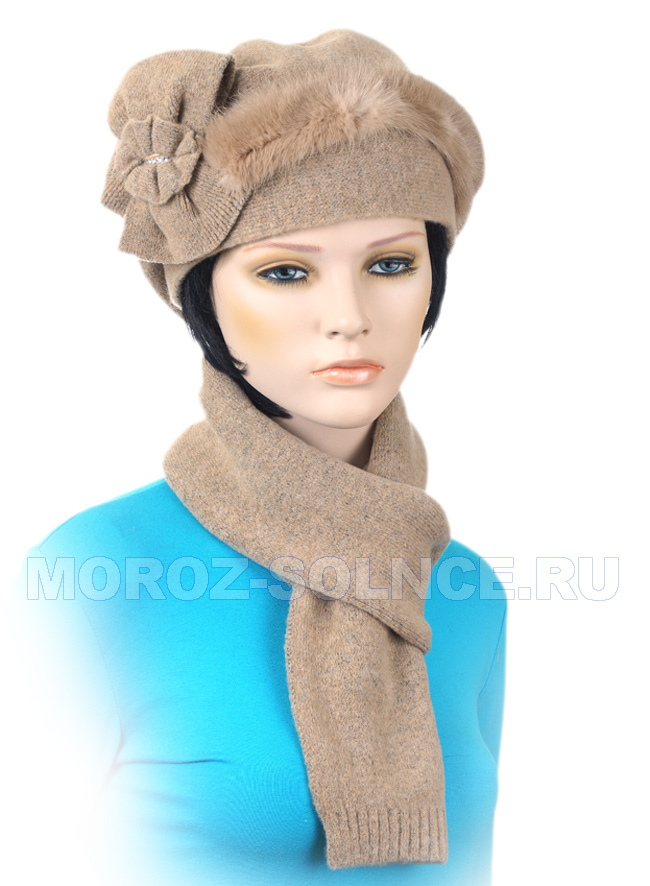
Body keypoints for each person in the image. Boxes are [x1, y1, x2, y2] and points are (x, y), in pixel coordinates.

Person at [5, 30, 507, 886]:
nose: (349, 316)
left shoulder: (466, 591)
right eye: (285, 273)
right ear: (199, 294)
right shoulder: (92, 574)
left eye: (391, 264)